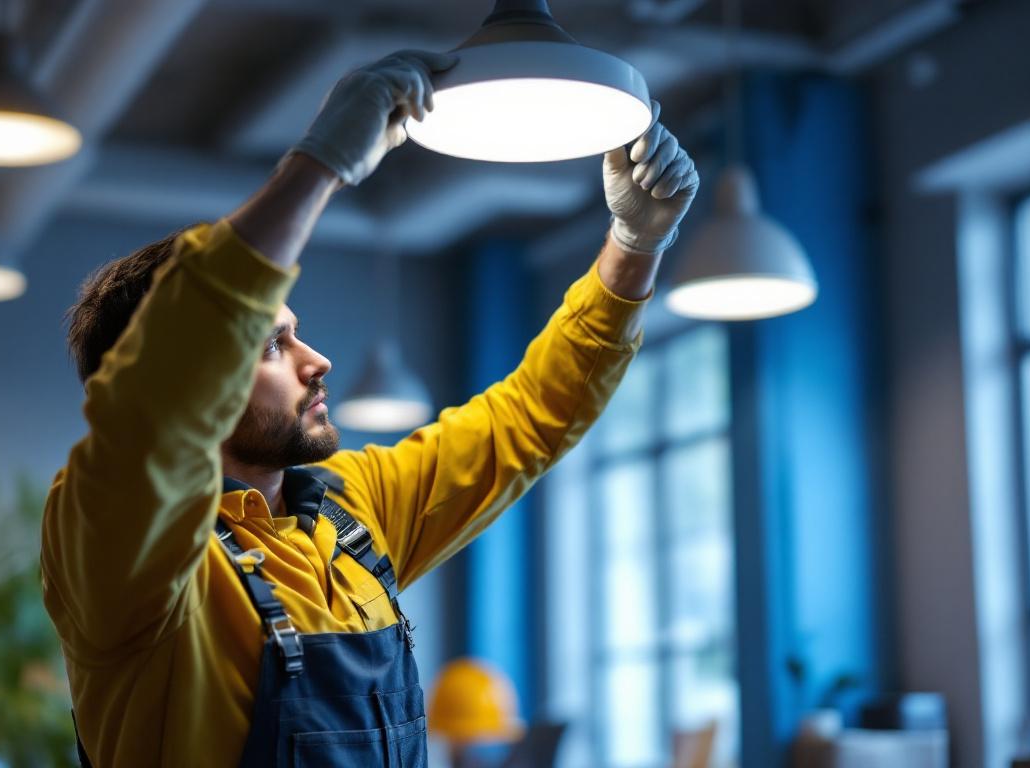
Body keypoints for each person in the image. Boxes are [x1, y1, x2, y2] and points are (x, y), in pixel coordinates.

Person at [42, 49, 699, 767]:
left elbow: (529, 418)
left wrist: (636, 246)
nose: (316, 361)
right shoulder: (120, 546)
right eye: (270, 345)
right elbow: (157, 398)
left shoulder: (352, 511)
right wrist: (317, 165)